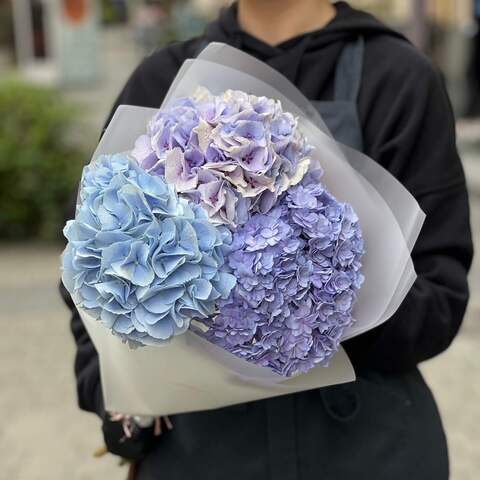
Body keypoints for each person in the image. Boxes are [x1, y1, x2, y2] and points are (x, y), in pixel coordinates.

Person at [60, 1, 473, 479]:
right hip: (203, 453)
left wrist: (308, 312)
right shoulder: (165, 77)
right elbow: (89, 262)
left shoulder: (396, 76)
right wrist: (117, 399)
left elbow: (440, 292)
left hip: (366, 443)